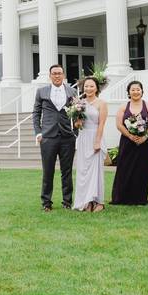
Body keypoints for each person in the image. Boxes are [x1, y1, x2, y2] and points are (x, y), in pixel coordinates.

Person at [32, 64, 77, 211]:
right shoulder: (41, 91)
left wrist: (75, 133)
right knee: (48, 171)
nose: (57, 76)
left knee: (67, 171)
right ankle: (46, 203)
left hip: (67, 137)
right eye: (54, 73)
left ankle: (67, 202)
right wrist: (38, 133)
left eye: (59, 73)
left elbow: (77, 113)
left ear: (63, 75)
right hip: (48, 137)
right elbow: (36, 113)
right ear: (50, 76)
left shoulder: (72, 91)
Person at [111, 80, 148, 206]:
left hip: (146, 143)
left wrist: (144, 137)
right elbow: (119, 125)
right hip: (127, 142)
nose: (135, 92)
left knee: (142, 169)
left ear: (142, 91)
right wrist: (131, 136)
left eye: (138, 89)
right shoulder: (123, 107)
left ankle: (140, 198)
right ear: (128, 92)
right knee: (124, 169)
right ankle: (122, 197)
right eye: (133, 89)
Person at [74, 76, 108, 211]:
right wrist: (78, 122)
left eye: (91, 86)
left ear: (96, 88)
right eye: (86, 86)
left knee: (96, 171)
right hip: (83, 138)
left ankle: (98, 201)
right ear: (83, 88)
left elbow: (101, 124)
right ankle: (86, 201)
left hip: (95, 137)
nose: (88, 88)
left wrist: (97, 141)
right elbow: (77, 125)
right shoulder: (79, 103)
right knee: (83, 171)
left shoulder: (102, 103)